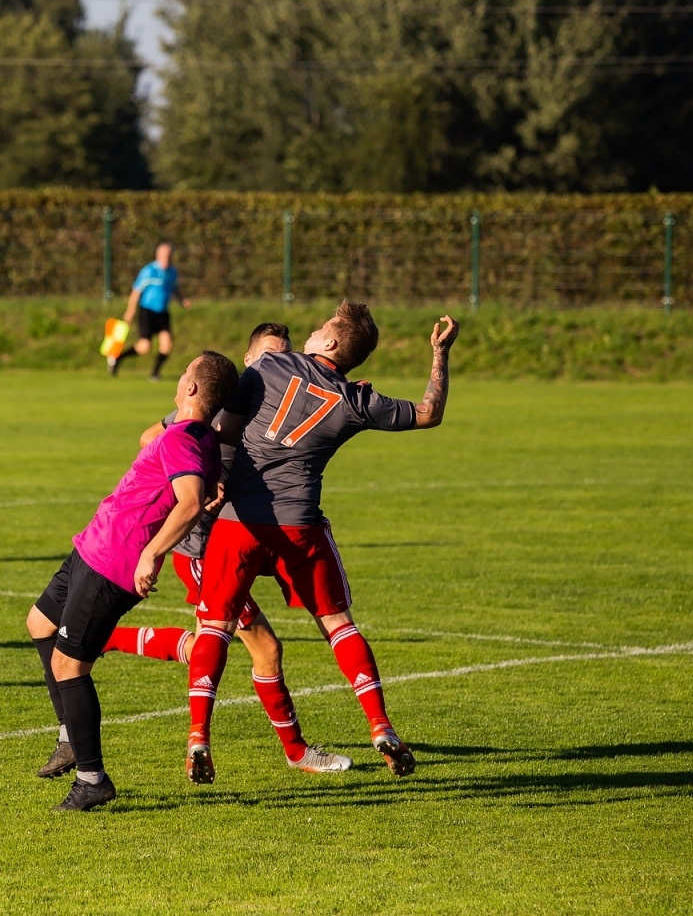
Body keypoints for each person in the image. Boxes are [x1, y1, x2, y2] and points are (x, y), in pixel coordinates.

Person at [184, 301, 459, 784]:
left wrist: (206, 474)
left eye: (318, 329)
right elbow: (429, 412)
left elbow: (218, 419)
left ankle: (199, 738)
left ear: (330, 343)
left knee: (216, 626)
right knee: (338, 625)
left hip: (239, 522)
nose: (310, 333)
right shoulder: (357, 399)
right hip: (299, 524)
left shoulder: (271, 365)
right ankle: (380, 725)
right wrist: (440, 354)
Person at [96, 323, 351, 775]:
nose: (283, 363)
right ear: (251, 359)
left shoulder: (278, 405)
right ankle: (295, 752)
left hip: (235, 547)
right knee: (265, 650)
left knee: (204, 649)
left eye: (288, 354)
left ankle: (105, 639)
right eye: (272, 355)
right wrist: (200, 472)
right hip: (201, 551)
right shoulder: (221, 405)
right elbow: (150, 439)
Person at [26, 351, 240, 811]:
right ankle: (70, 735)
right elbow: (200, 493)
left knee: (70, 666)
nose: (180, 375)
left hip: (115, 563)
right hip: (95, 546)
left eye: (185, 371)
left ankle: (91, 779)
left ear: (193, 389)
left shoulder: (186, 437)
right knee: (39, 623)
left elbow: (188, 502)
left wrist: (151, 553)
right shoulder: (198, 436)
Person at [109, 241, 191, 381]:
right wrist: (130, 311)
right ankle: (117, 358)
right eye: (164, 256)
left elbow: (174, 288)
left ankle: (154, 373)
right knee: (144, 347)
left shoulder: (172, 272)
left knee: (167, 345)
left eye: (169, 256)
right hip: (147, 312)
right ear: (157, 255)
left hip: (163, 312)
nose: (167, 259)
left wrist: (182, 300)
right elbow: (136, 292)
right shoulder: (149, 271)